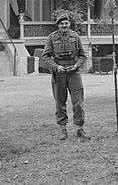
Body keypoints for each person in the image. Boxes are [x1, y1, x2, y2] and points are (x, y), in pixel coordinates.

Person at [42, 13, 90, 141]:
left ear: (69, 24)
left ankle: (80, 129)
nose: (64, 26)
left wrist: (76, 66)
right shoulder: (52, 38)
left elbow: (82, 56)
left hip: (74, 73)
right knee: (60, 102)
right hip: (59, 73)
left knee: (78, 101)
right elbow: (45, 56)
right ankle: (63, 130)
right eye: (61, 24)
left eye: (66, 23)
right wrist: (56, 67)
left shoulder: (75, 36)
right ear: (58, 25)